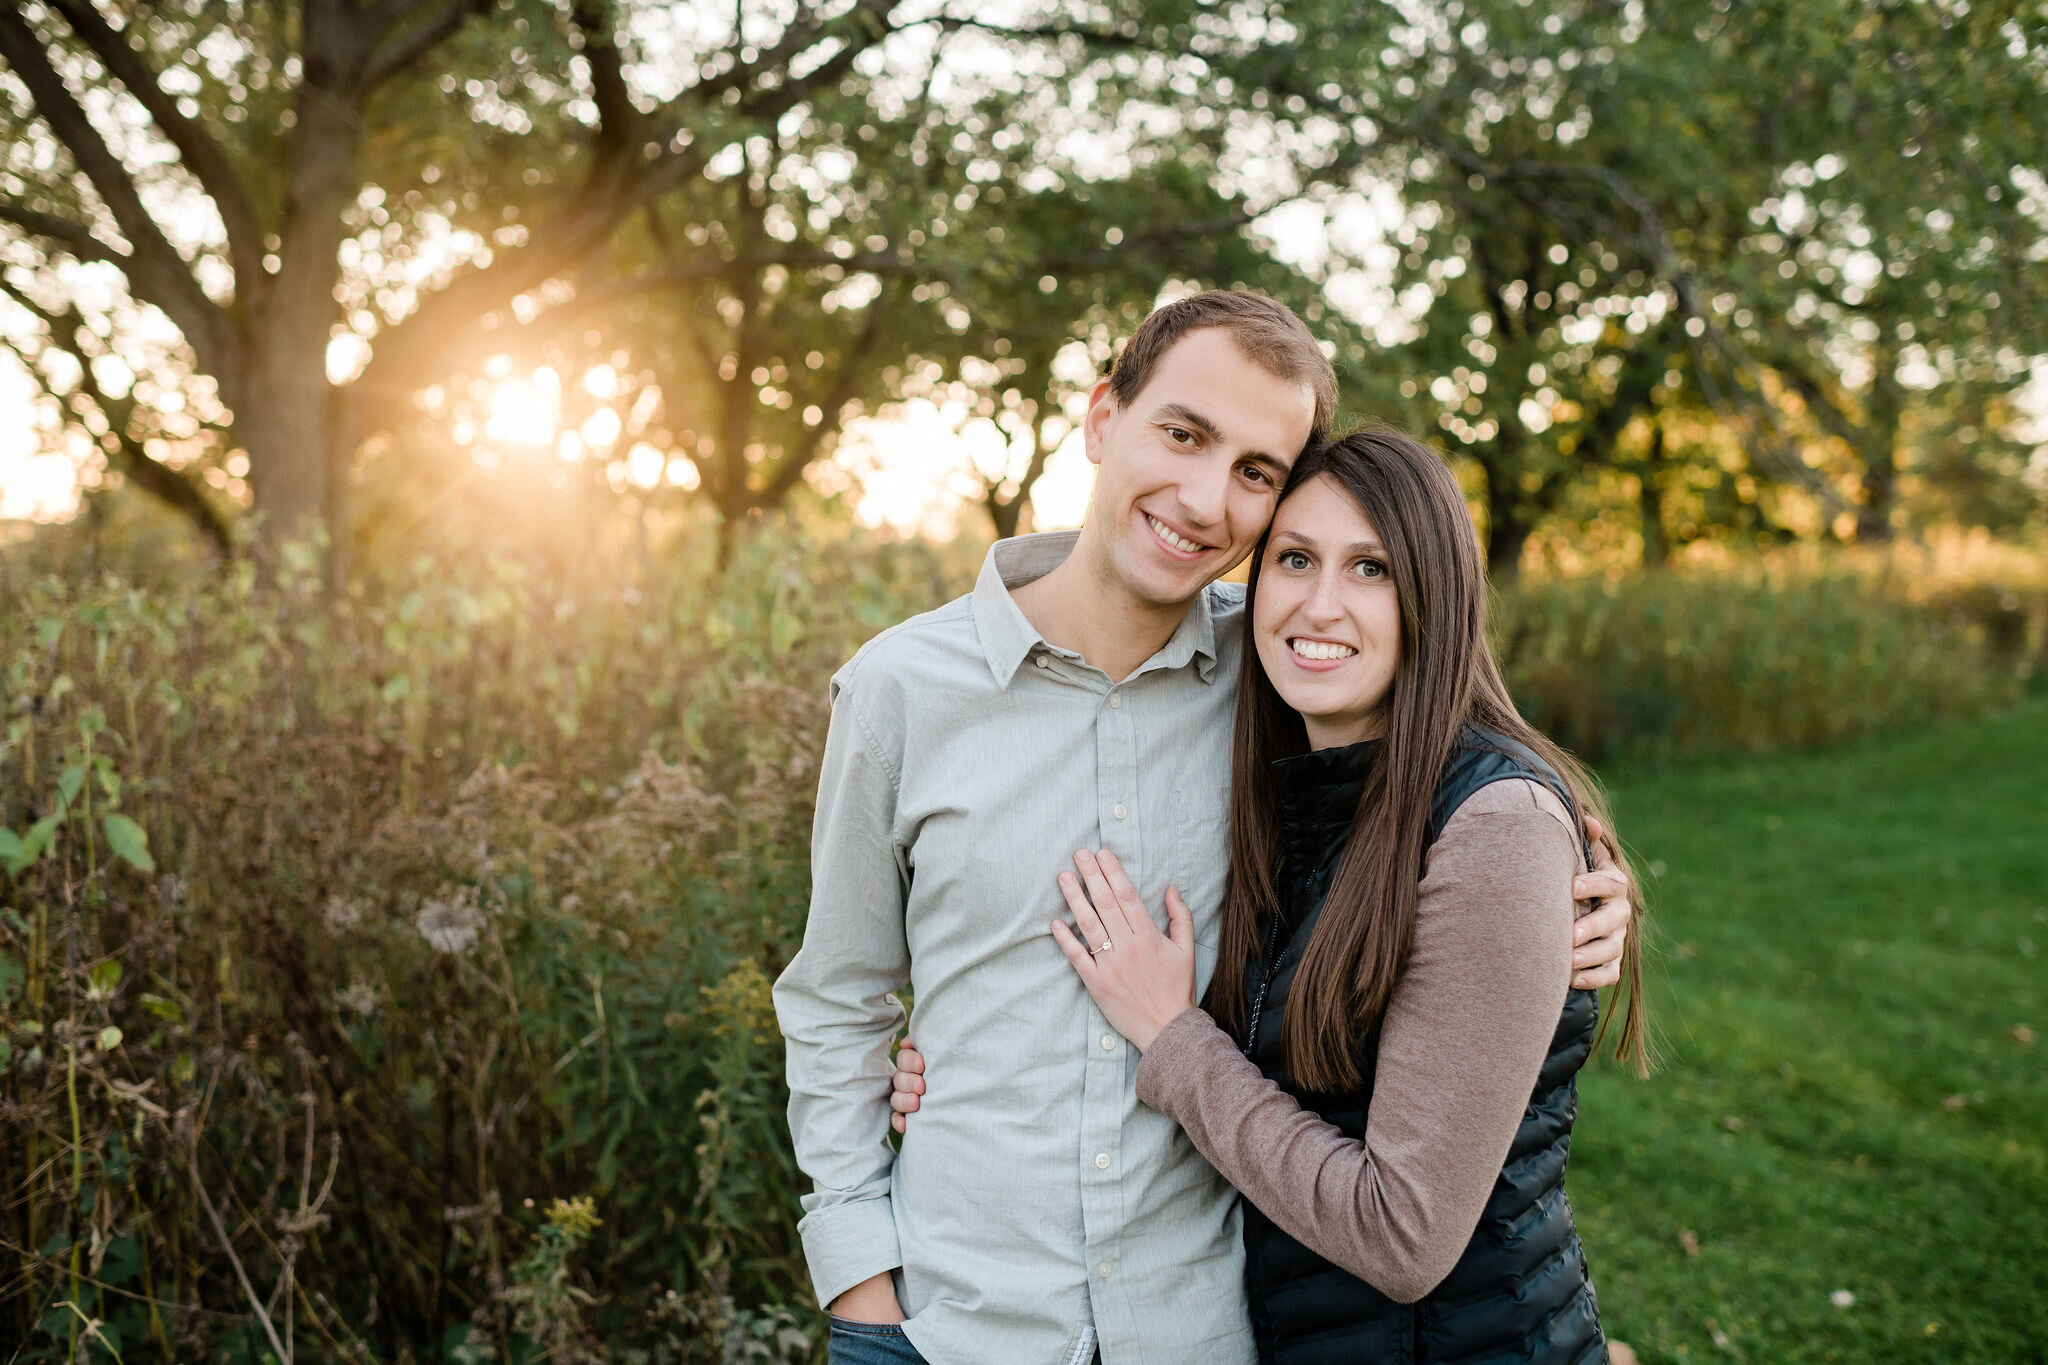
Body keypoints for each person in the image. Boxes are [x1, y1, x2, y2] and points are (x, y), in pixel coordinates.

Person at [772, 292, 1635, 1365]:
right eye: (1181, 434)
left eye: (1253, 473)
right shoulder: (903, 690)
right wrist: (860, 1286)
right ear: (1100, 421)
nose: (1202, 498)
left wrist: (1584, 887)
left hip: (1198, 1329)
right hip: (948, 1322)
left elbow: (1448, 760)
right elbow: (837, 996)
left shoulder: (1279, 665)